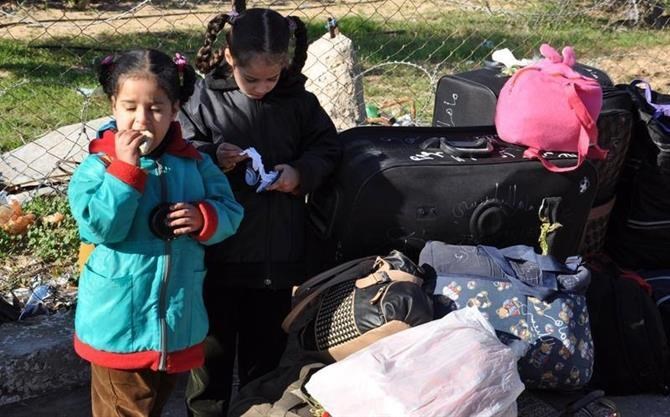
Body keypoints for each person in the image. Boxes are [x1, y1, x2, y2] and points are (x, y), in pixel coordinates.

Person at [177, 6, 341, 417]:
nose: (263, 88)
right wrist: (214, 155)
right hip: (218, 255)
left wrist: (299, 174)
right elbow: (182, 148)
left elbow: (327, 148)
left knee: (265, 358)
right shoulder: (202, 100)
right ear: (229, 57)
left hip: (276, 256)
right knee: (210, 358)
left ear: (285, 65)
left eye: (272, 78)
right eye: (252, 79)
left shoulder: (299, 102)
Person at [68, 48, 244, 417]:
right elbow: (99, 227)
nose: (141, 120)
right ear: (113, 106)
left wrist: (203, 218)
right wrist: (125, 173)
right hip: (119, 324)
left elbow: (231, 210)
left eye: (156, 108)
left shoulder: (195, 164)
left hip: (176, 324)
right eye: (130, 107)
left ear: (176, 109)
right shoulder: (99, 166)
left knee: (155, 404)